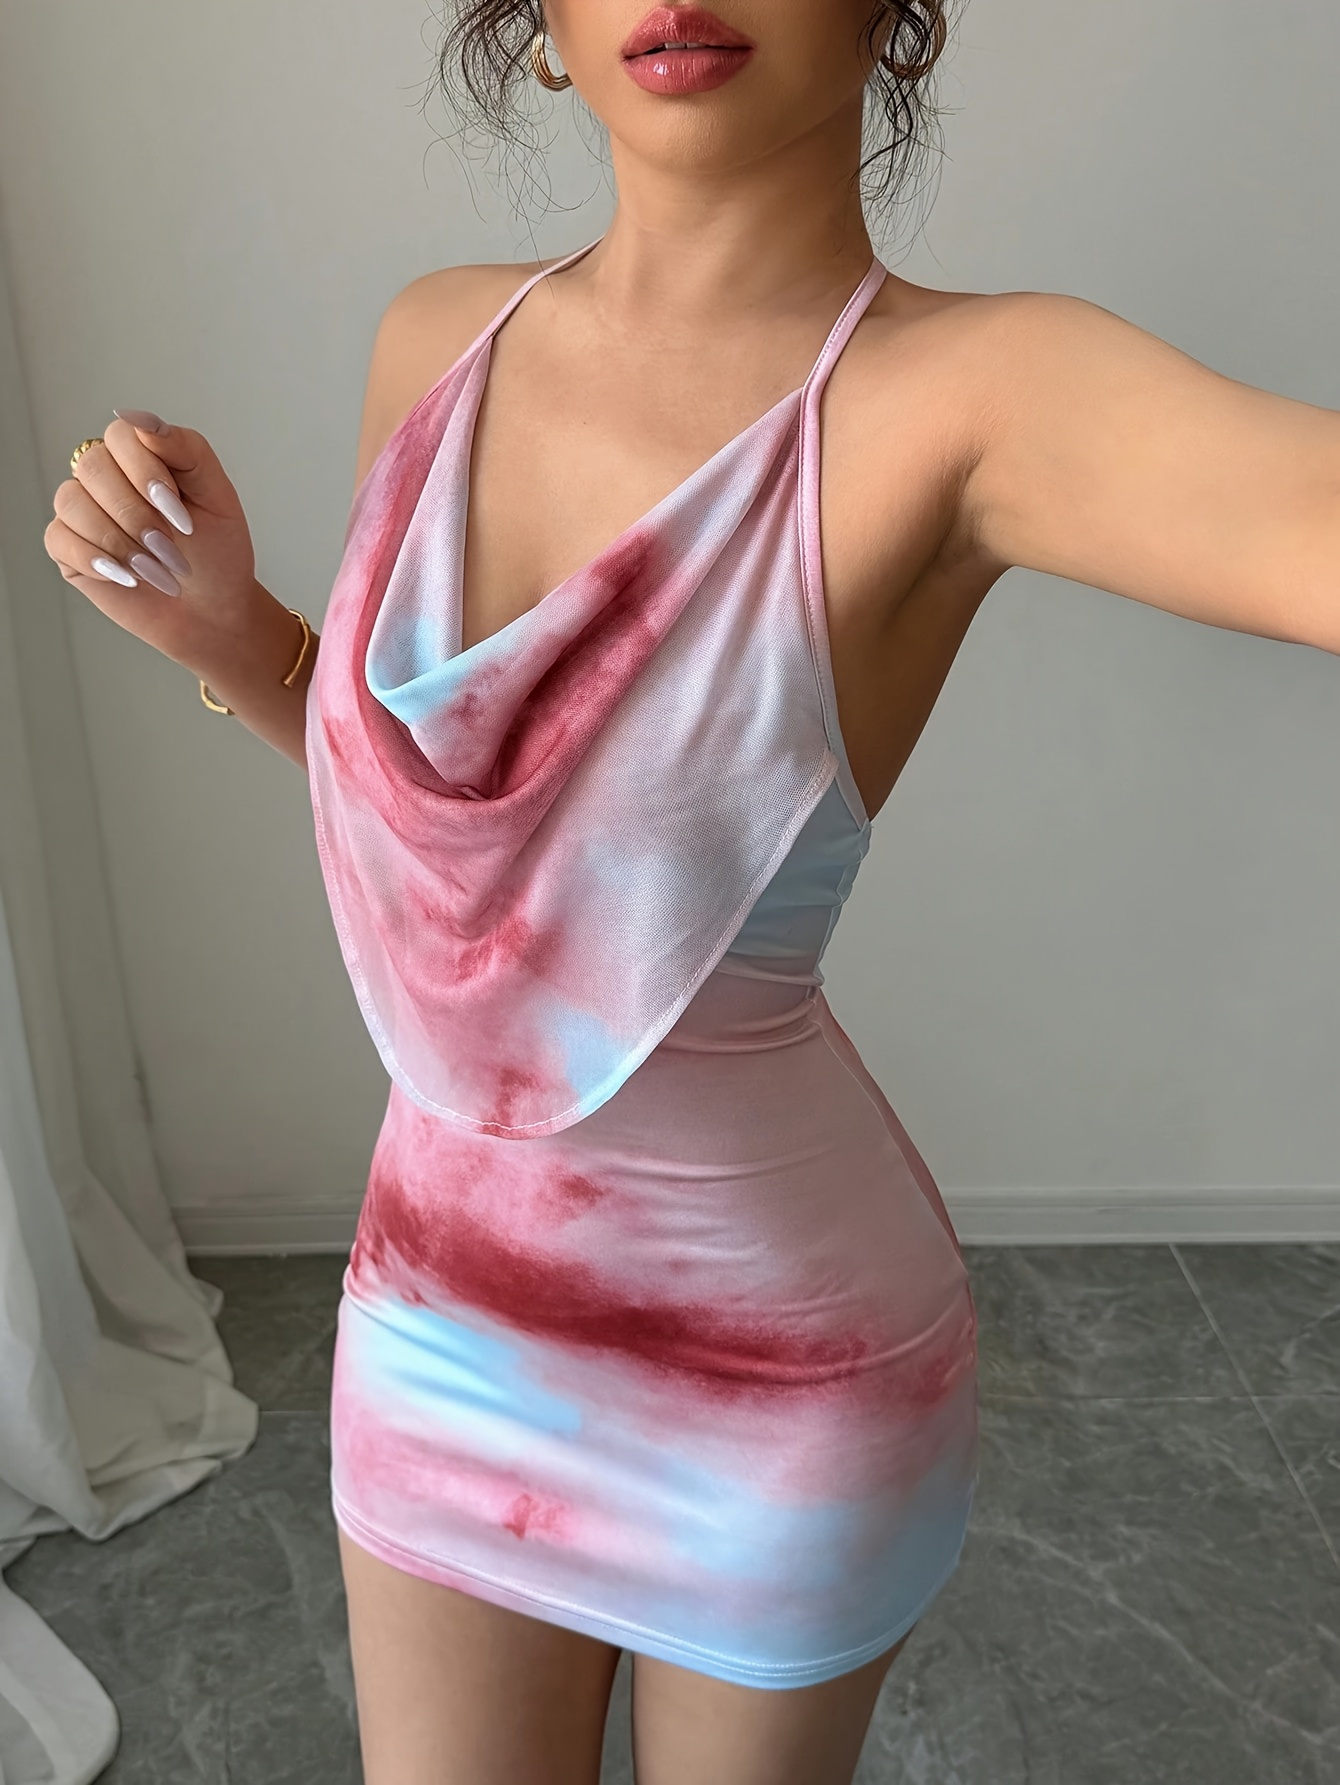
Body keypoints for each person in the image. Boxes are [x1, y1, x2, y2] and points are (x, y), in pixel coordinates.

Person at [40, 4, 1340, 1781]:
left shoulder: (976, 397)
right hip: (436, 1325)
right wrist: (235, 635)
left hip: (773, 1393)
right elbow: (476, 869)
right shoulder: (437, 338)